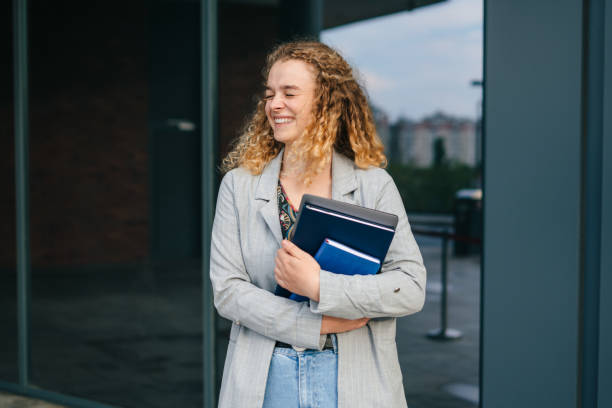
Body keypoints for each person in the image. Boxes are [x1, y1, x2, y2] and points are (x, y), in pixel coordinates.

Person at [210, 41, 426, 408]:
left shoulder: (373, 185)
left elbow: (410, 287)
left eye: (289, 93)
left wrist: (320, 286)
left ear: (326, 102)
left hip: (354, 381)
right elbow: (228, 292)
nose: (274, 104)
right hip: (266, 382)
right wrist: (314, 324)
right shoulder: (239, 185)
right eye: (270, 94)